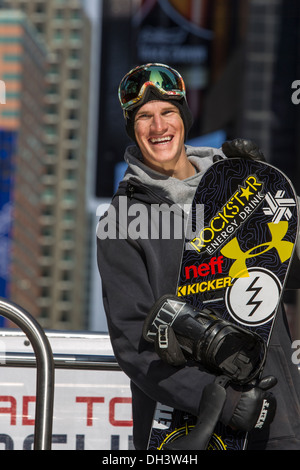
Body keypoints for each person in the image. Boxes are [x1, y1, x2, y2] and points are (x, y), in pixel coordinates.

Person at [97, 63, 300, 450]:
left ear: (184, 118)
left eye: (167, 112)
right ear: (133, 129)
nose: (158, 127)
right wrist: (221, 400)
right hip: (189, 426)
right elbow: (134, 344)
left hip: (279, 413)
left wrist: (271, 196)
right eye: (144, 117)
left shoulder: (239, 189)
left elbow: (292, 267)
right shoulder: (122, 223)